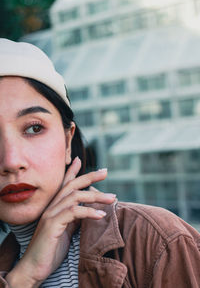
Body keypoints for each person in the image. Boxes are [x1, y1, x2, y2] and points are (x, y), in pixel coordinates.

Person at [0, 38, 199, 288]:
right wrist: (24, 277)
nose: (11, 161)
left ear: (67, 141)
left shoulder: (156, 240)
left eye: (34, 128)